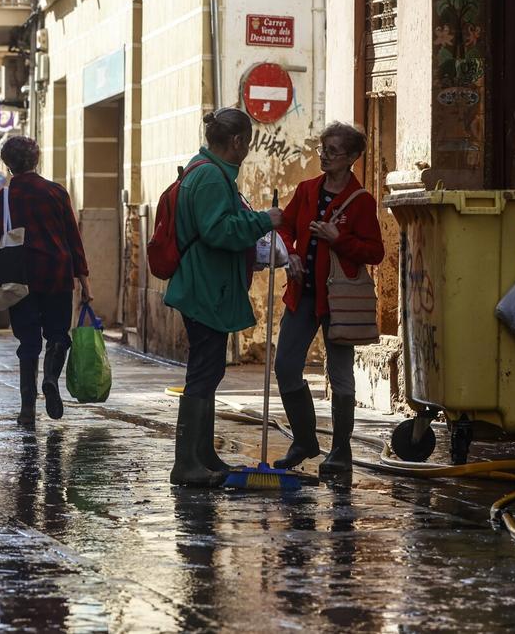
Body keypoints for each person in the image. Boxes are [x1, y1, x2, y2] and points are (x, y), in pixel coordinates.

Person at [164, 108, 283, 488]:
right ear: (236, 142)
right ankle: (187, 463)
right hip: (205, 288)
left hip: (204, 285)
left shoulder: (205, 169)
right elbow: (218, 231)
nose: (247, 148)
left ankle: (202, 454)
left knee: (209, 370)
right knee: (203, 371)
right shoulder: (213, 177)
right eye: (247, 141)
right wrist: (264, 220)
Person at [274, 122, 384, 475]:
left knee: (340, 375)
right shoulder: (306, 190)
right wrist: (289, 253)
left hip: (339, 301)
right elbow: (285, 226)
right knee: (285, 366)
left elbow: (376, 252)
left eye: (333, 151)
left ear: (352, 157)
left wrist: (339, 238)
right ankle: (305, 440)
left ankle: (340, 451)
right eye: (323, 149)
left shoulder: (361, 201)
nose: (325, 156)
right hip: (301, 296)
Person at [0, 136, 92, 426]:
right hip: (58, 273)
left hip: (21, 278)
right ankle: (52, 380)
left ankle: (27, 409)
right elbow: (73, 238)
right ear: (37, 159)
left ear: (7, 164)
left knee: (28, 340)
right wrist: (84, 278)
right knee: (58, 335)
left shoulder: (4, 198)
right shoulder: (56, 192)